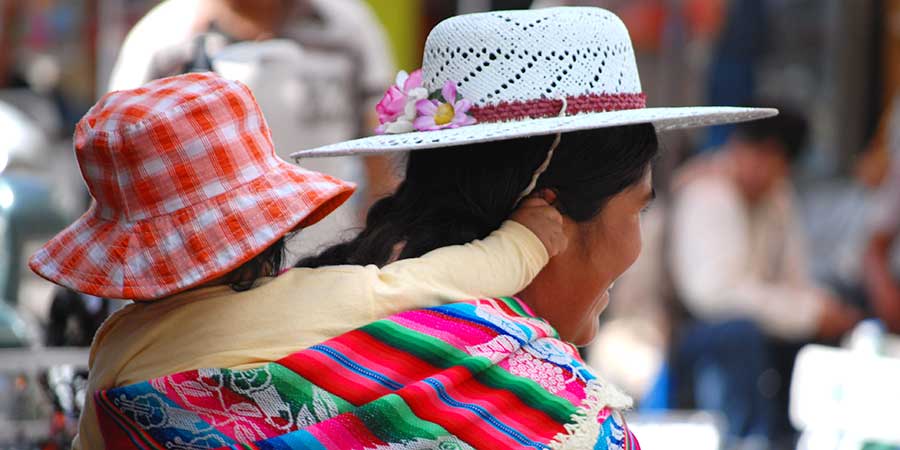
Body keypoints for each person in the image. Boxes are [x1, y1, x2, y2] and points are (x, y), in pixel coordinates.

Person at [89, 8, 774, 448]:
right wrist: (523, 245)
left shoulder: (118, 347)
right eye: (640, 208)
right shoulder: (549, 410)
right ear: (553, 213)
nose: (640, 241)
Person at [28, 72, 567, 449]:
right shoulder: (319, 299)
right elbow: (436, 282)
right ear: (269, 229)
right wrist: (526, 240)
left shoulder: (116, 346)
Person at [106, 0, 398, 258]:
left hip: (327, 263)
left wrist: (379, 242)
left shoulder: (349, 26)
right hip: (205, 278)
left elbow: (380, 147)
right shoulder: (162, 39)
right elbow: (118, 167)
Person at [668, 107, 862, 447]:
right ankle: (747, 438)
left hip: (758, 326)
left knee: (841, 311)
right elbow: (714, 296)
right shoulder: (707, 192)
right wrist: (808, 313)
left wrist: (821, 311)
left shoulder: (777, 197)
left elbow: (794, 278)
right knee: (741, 334)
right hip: (691, 334)